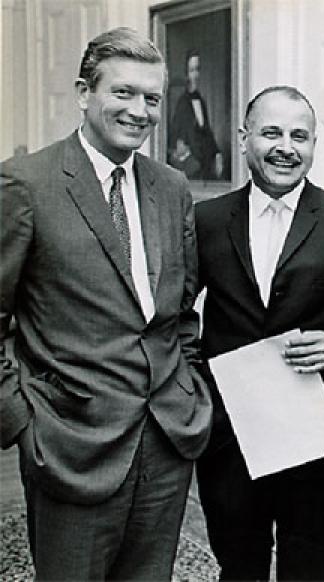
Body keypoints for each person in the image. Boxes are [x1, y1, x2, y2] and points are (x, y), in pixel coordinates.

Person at [0, 27, 212, 580]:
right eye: (123, 92)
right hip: (69, 444)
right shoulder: (26, 184)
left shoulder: (171, 187)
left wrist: (186, 385)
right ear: (83, 93)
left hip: (167, 439)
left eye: (151, 98)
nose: (139, 110)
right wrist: (21, 421)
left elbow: (181, 310)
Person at [194, 85, 324, 581]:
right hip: (228, 437)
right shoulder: (206, 221)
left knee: (309, 567)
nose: (286, 146)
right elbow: (174, 315)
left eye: (300, 136)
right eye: (272, 132)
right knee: (238, 565)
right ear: (245, 138)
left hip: (315, 437)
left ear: (315, 144)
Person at [169, 49, 223, 180]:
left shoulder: (201, 101)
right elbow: (177, 138)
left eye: (198, 70)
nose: (196, 75)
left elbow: (207, 131)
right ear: (186, 74)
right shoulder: (182, 103)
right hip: (192, 166)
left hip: (206, 163)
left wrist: (217, 153)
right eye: (192, 70)